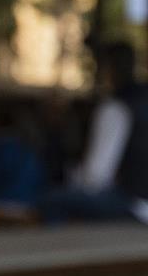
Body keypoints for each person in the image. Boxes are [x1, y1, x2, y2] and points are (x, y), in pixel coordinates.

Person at [39, 42, 148, 224]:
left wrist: (72, 176)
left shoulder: (116, 107)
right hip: (138, 199)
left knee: (50, 200)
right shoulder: (139, 101)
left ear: (108, 69)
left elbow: (96, 177)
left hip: (134, 203)